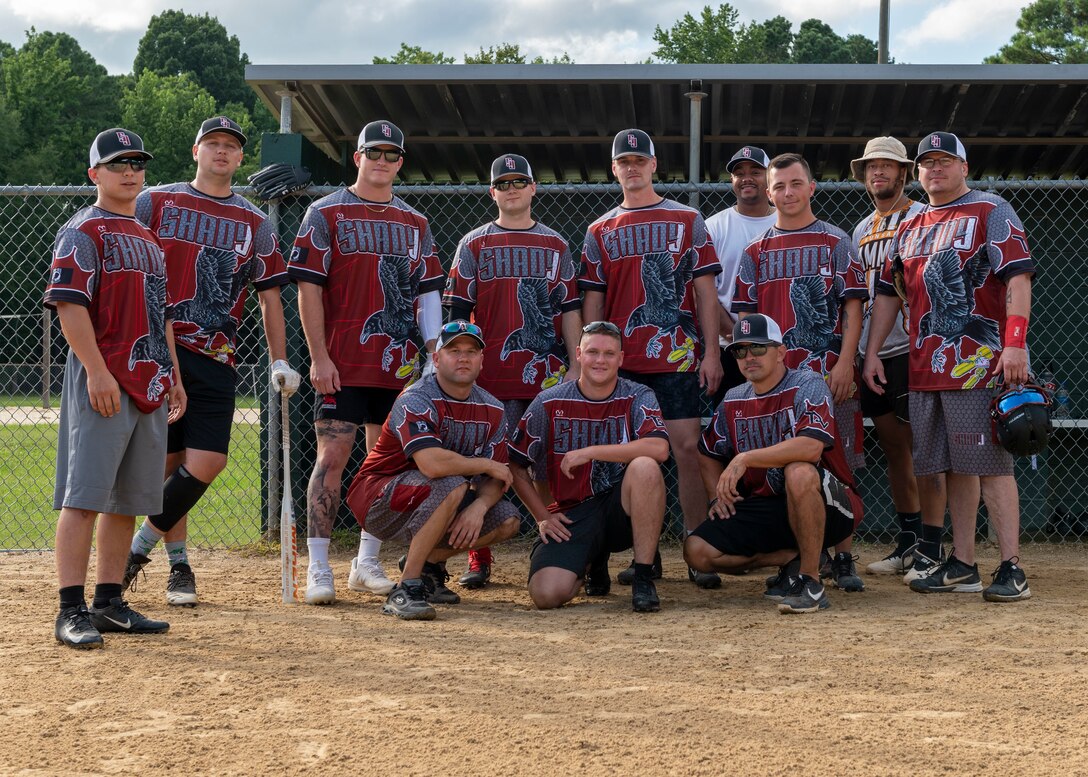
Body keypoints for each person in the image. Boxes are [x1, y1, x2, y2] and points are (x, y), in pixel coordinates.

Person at [122, 116, 298, 606]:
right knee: (167, 463)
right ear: (196, 150)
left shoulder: (255, 223)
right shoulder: (155, 201)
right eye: (213, 143)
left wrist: (278, 359)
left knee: (206, 462)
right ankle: (179, 566)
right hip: (158, 349)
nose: (222, 152)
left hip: (217, 354)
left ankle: (134, 553)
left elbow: (268, 297)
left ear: (241, 158)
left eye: (231, 146)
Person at [864, 131, 1035, 602]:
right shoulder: (909, 224)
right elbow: (886, 294)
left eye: (944, 161)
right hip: (926, 368)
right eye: (926, 163)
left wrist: (1015, 344)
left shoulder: (990, 209)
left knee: (993, 467)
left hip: (980, 364)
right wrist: (874, 350)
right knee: (955, 468)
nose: (934, 170)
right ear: (916, 173)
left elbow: (1018, 277)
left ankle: (1011, 567)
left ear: (963, 166)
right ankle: (962, 563)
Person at [289, 119, 444, 605]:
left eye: (391, 155)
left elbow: (428, 293)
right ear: (356, 157)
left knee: (385, 465)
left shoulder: (415, 223)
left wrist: (432, 350)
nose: (382, 161)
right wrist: (318, 356)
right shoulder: (326, 212)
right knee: (332, 458)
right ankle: (317, 565)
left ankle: (366, 560)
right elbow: (308, 287)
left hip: (396, 366)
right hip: (343, 361)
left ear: (401, 163)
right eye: (373, 152)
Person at [46, 127, 187, 648]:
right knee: (83, 498)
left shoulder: (149, 238)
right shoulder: (83, 230)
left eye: (137, 163)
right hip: (103, 379)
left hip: (149, 379)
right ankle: (70, 609)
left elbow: (162, 315)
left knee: (127, 501)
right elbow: (69, 306)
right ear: (94, 174)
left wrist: (172, 374)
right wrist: (98, 371)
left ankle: (108, 603)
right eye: (117, 163)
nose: (130, 172)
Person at [580, 128, 722, 588]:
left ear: (655, 165)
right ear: (615, 168)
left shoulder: (687, 219)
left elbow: (705, 292)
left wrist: (712, 352)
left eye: (640, 159)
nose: (633, 166)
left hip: (679, 358)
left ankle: (697, 547)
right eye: (624, 160)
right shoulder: (600, 229)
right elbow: (595, 303)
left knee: (686, 451)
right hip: (623, 365)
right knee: (627, 460)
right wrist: (591, 359)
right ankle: (647, 555)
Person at [443, 153, 583, 590]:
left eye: (519, 180)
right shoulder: (474, 244)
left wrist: (576, 364)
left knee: (545, 464)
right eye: (503, 183)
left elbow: (569, 311)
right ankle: (477, 556)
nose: (511, 188)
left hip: (545, 375)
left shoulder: (555, 245)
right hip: (490, 377)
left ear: (533, 188)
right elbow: (459, 315)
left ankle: (553, 546)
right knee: (483, 465)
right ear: (492, 192)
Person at [732, 152, 869, 592]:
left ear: (812, 187)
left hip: (828, 373)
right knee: (787, 467)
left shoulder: (836, 241)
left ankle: (843, 555)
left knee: (840, 462)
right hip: (779, 383)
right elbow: (746, 319)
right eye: (779, 186)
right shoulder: (755, 252)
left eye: (795, 184)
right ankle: (803, 557)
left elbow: (853, 305)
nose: (787, 193)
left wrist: (846, 360)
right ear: (769, 194)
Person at [685, 315, 863, 614]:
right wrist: (717, 497)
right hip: (768, 504)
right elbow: (705, 452)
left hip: (832, 504)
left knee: (799, 470)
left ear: (780, 352)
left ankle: (811, 582)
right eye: (740, 351)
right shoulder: (733, 398)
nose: (748, 357)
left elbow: (811, 446)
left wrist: (746, 458)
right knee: (697, 552)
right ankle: (791, 556)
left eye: (758, 348)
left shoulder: (807, 382)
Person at [344, 321, 521, 620]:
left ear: (481, 360)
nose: (463, 358)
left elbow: (497, 476)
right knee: (451, 483)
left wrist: (479, 505)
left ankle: (426, 564)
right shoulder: (416, 397)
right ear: (437, 359)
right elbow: (432, 464)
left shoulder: (492, 408)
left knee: (508, 520)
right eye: (453, 351)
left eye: (471, 352)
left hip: (436, 496)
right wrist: (485, 464)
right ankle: (406, 588)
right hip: (379, 497)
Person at [509, 320, 670, 611]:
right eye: (593, 352)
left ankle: (643, 577)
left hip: (619, 510)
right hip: (572, 515)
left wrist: (590, 452)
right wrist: (542, 516)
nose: (600, 360)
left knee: (645, 466)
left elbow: (659, 448)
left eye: (609, 354)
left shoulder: (637, 395)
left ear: (621, 359)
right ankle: (591, 562)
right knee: (547, 595)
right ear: (579, 355)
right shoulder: (549, 401)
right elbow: (516, 465)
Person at [850, 137, 926, 576]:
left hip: (911, 348)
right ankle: (909, 541)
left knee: (923, 449)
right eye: (872, 166)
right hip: (872, 352)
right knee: (896, 449)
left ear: (903, 173)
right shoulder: (862, 228)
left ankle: (932, 542)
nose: (879, 172)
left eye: (888, 166)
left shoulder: (920, 215)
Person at [705, 145, 778, 409]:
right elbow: (702, 290)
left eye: (755, 171)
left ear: (769, 177)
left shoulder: (788, 221)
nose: (746, 178)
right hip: (730, 347)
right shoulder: (713, 226)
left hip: (782, 346)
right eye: (739, 173)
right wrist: (737, 335)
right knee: (732, 428)